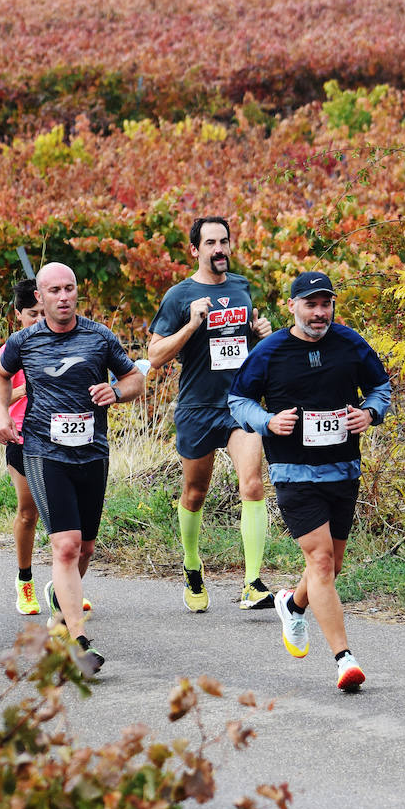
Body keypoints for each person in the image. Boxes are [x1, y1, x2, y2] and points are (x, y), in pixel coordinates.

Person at [228, 271, 390, 691]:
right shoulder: (270, 350)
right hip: (293, 472)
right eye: (311, 305)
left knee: (332, 567)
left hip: (343, 469)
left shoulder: (350, 343)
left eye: (326, 304)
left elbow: (381, 388)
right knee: (319, 561)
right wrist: (266, 421)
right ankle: (344, 658)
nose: (320, 313)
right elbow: (237, 399)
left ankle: (292, 603)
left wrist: (369, 413)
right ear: (292, 306)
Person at [0, 262, 144, 676]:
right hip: (43, 451)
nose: (63, 297)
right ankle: (78, 642)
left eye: (69, 289)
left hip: (92, 451)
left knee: (86, 549)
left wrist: (115, 390)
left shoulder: (98, 336)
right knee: (65, 545)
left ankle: (60, 622)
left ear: (77, 292)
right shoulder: (24, 340)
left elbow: (135, 380)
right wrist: (2, 415)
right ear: (39, 297)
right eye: (54, 290)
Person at [147, 216, 274, 613]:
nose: (219, 249)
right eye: (211, 243)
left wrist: (261, 334)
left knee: (252, 485)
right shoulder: (179, 295)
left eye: (224, 241)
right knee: (195, 493)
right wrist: (190, 325)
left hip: (240, 405)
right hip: (197, 407)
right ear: (195, 250)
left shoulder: (241, 287)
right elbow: (154, 355)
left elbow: (245, 344)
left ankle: (252, 582)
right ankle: (191, 565)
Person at [0, 278, 46, 615]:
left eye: (43, 313)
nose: (39, 321)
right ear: (18, 314)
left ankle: (65, 586)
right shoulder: (12, 349)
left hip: (58, 438)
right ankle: (24, 581)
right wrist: (25, 389)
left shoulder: (64, 342)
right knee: (29, 512)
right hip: (21, 438)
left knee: (63, 517)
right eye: (32, 314)